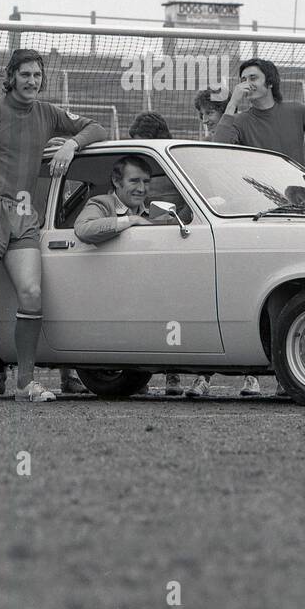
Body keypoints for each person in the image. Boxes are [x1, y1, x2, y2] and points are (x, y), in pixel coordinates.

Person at [0, 49, 108, 403]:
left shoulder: (46, 113)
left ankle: (26, 383)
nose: (32, 81)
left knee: (31, 293)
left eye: (37, 76)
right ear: (11, 76)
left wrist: (71, 144)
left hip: (25, 217)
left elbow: (97, 127)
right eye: (25, 74)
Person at [208, 58, 305, 398]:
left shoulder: (297, 112)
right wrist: (232, 102)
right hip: (260, 215)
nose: (248, 83)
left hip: (303, 213)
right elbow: (219, 146)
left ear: (270, 82)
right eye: (243, 79)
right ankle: (280, 375)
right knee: (273, 295)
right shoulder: (241, 120)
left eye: (253, 78)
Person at [127, 113, 185, 397]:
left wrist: (176, 223)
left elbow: (190, 203)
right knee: (141, 309)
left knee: (172, 309)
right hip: (141, 246)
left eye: (143, 143)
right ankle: (137, 376)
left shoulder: (178, 167)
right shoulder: (137, 172)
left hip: (173, 246)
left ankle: (174, 375)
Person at [73, 155, 180, 243]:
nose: (142, 189)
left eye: (146, 182)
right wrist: (133, 220)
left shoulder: (153, 211)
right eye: (134, 181)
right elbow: (83, 229)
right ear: (116, 181)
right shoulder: (101, 204)